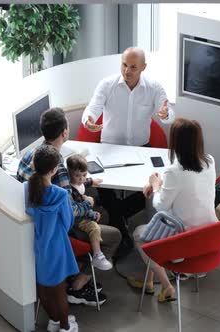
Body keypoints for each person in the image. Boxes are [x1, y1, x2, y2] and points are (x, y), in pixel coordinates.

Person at [17, 107, 122, 306]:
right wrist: (87, 206)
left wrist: (85, 197)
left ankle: (77, 268)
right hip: (60, 230)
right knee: (114, 234)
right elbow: (71, 211)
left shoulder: (29, 155)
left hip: (37, 225)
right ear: (65, 132)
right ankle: (78, 286)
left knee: (102, 214)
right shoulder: (58, 166)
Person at [80, 47, 175, 252]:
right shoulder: (107, 84)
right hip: (109, 148)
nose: (127, 70)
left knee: (152, 188)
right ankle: (120, 225)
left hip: (142, 149)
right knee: (102, 184)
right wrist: (88, 119)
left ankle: (117, 217)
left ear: (143, 68)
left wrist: (166, 114)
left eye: (133, 67)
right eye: (124, 65)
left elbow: (169, 115)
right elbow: (93, 108)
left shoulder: (154, 87)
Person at [129, 118, 218, 302]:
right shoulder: (209, 161)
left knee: (139, 234)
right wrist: (162, 185)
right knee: (153, 229)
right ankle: (149, 282)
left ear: (176, 142)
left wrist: (155, 185)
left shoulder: (174, 171)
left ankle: (167, 286)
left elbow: (160, 205)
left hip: (184, 239)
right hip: (209, 234)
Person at [24, 144, 79, 332]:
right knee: (60, 293)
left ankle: (54, 319)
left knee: (44, 290)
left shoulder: (27, 189)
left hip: (39, 247)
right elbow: (68, 222)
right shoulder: (61, 194)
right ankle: (65, 327)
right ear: (54, 169)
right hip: (57, 247)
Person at [66, 154, 113, 270]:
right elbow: (79, 211)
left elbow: (83, 183)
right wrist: (91, 214)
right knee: (94, 227)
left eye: (84, 175)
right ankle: (98, 255)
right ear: (69, 173)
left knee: (103, 213)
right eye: (77, 175)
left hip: (82, 210)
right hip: (76, 219)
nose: (81, 178)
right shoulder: (72, 191)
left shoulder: (78, 182)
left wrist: (92, 181)